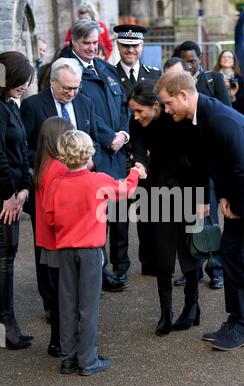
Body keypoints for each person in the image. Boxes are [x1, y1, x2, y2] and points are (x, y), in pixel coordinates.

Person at [156, 71, 244, 351]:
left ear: (183, 95)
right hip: (242, 187)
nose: (165, 109)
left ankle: (243, 329)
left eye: (167, 103)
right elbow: (209, 161)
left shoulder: (219, 119)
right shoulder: (196, 117)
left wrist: (235, 205)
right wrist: (222, 195)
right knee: (231, 251)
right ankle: (235, 321)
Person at [45, 130, 145, 375]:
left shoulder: (55, 184)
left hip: (64, 250)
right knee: (88, 307)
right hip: (90, 251)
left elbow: (50, 217)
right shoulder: (97, 180)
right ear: (88, 154)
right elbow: (127, 190)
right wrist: (135, 171)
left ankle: (68, 358)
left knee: (67, 303)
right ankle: (87, 359)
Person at [21, 57, 101, 322]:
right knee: (47, 247)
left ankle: (78, 295)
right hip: (48, 192)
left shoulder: (85, 102)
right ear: (52, 82)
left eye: (76, 88)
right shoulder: (33, 106)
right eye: (67, 88)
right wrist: (53, 161)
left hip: (82, 191)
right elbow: (24, 149)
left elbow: (94, 141)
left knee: (80, 245)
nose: (72, 93)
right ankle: (51, 302)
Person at [128, 80, 207, 336]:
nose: (136, 116)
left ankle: (192, 306)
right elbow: (138, 148)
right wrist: (139, 164)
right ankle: (166, 311)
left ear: (155, 105)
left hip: (186, 189)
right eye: (133, 111)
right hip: (155, 192)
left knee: (190, 251)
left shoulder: (180, 119)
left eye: (140, 111)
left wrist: (201, 198)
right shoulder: (137, 122)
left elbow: (199, 162)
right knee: (162, 253)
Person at [65, 19, 131, 292]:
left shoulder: (105, 69)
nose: (92, 48)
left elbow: (125, 105)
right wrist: (108, 138)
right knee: (97, 219)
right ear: (74, 43)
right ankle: (99, 273)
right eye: (86, 43)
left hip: (117, 152)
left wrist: (124, 135)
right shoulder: (68, 71)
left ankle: (120, 266)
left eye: (95, 43)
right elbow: (84, 111)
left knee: (120, 214)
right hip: (93, 154)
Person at [173, 41, 230, 289]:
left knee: (211, 216)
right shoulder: (173, 85)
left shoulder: (213, 80)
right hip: (186, 161)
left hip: (210, 159)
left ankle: (215, 268)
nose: (189, 65)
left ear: (200, 59)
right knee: (190, 216)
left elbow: (226, 115)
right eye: (184, 61)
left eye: (193, 60)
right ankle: (191, 267)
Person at [113, 23, 162, 277]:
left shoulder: (154, 74)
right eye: (125, 45)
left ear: (142, 47)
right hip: (120, 151)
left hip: (148, 153)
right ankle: (120, 266)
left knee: (148, 208)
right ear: (118, 46)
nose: (130, 50)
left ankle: (149, 259)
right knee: (119, 212)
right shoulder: (109, 74)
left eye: (135, 45)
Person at [0, 51, 34, 350]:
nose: (24, 85)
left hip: (13, 194)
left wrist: (24, 188)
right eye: (20, 79)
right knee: (4, 263)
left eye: (27, 81)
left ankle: (7, 326)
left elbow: (20, 151)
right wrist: (9, 195)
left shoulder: (9, 106)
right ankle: (6, 327)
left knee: (7, 260)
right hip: (3, 200)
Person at [33, 116, 73, 357]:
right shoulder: (58, 168)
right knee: (64, 295)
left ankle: (57, 341)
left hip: (47, 240)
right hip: (59, 240)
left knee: (58, 294)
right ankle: (59, 342)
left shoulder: (44, 163)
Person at [213, 49, 244, 114]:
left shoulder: (239, 79)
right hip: (217, 112)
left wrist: (232, 96)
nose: (226, 59)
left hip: (234, 112)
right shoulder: (213, 77)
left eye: (229, 57)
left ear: (233, 61)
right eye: (224, 57)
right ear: (219, 61)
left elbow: (242, 103)